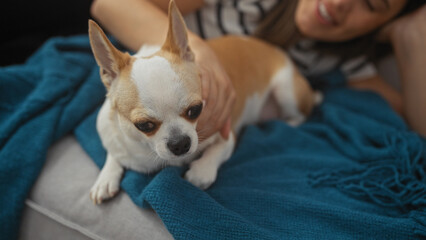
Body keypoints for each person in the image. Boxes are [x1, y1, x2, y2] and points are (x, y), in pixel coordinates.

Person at [90, 0, 426, 138]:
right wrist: (196, 49)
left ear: (380, 25)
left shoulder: (344, 59)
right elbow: (107, 4)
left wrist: (411, 37)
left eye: (370, 3)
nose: (339, 3)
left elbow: (415, 123)